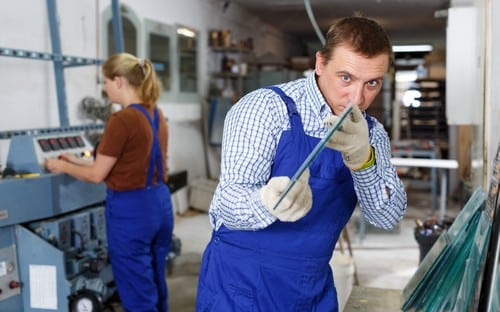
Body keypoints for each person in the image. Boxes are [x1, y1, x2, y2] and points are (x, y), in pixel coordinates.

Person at [196, 15, 407, 311]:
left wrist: (363, 161)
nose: (356, 99)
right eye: (346, 78)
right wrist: (267, 201)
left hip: (311, 290)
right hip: (242, 287)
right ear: (320, 64)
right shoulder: (265, 110)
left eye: (372, 83)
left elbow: (388, 217)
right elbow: (227, 204)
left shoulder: (371, 135)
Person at [45, 53, 174, 312]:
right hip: (159, 204)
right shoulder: (155, 114)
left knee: (136, 287)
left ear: (118, 82)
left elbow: (96, 175)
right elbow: (125, 160)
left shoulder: (122, 119)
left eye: (104, 82)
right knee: (154, 278)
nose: (104, 90)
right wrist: (76, 159)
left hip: (132, 211)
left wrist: (60, 165)